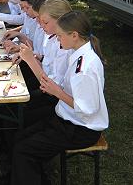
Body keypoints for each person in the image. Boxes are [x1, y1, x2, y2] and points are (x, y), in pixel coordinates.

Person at [11, 11, 109, 185]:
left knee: (23, 150)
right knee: (20, 137)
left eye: (60, 36)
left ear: (74, 35)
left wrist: (57, 92)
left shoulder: (84, 68)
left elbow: (87, 109)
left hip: (80, 129)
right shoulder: (78, 53)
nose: (57, 40)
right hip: (67, 118)